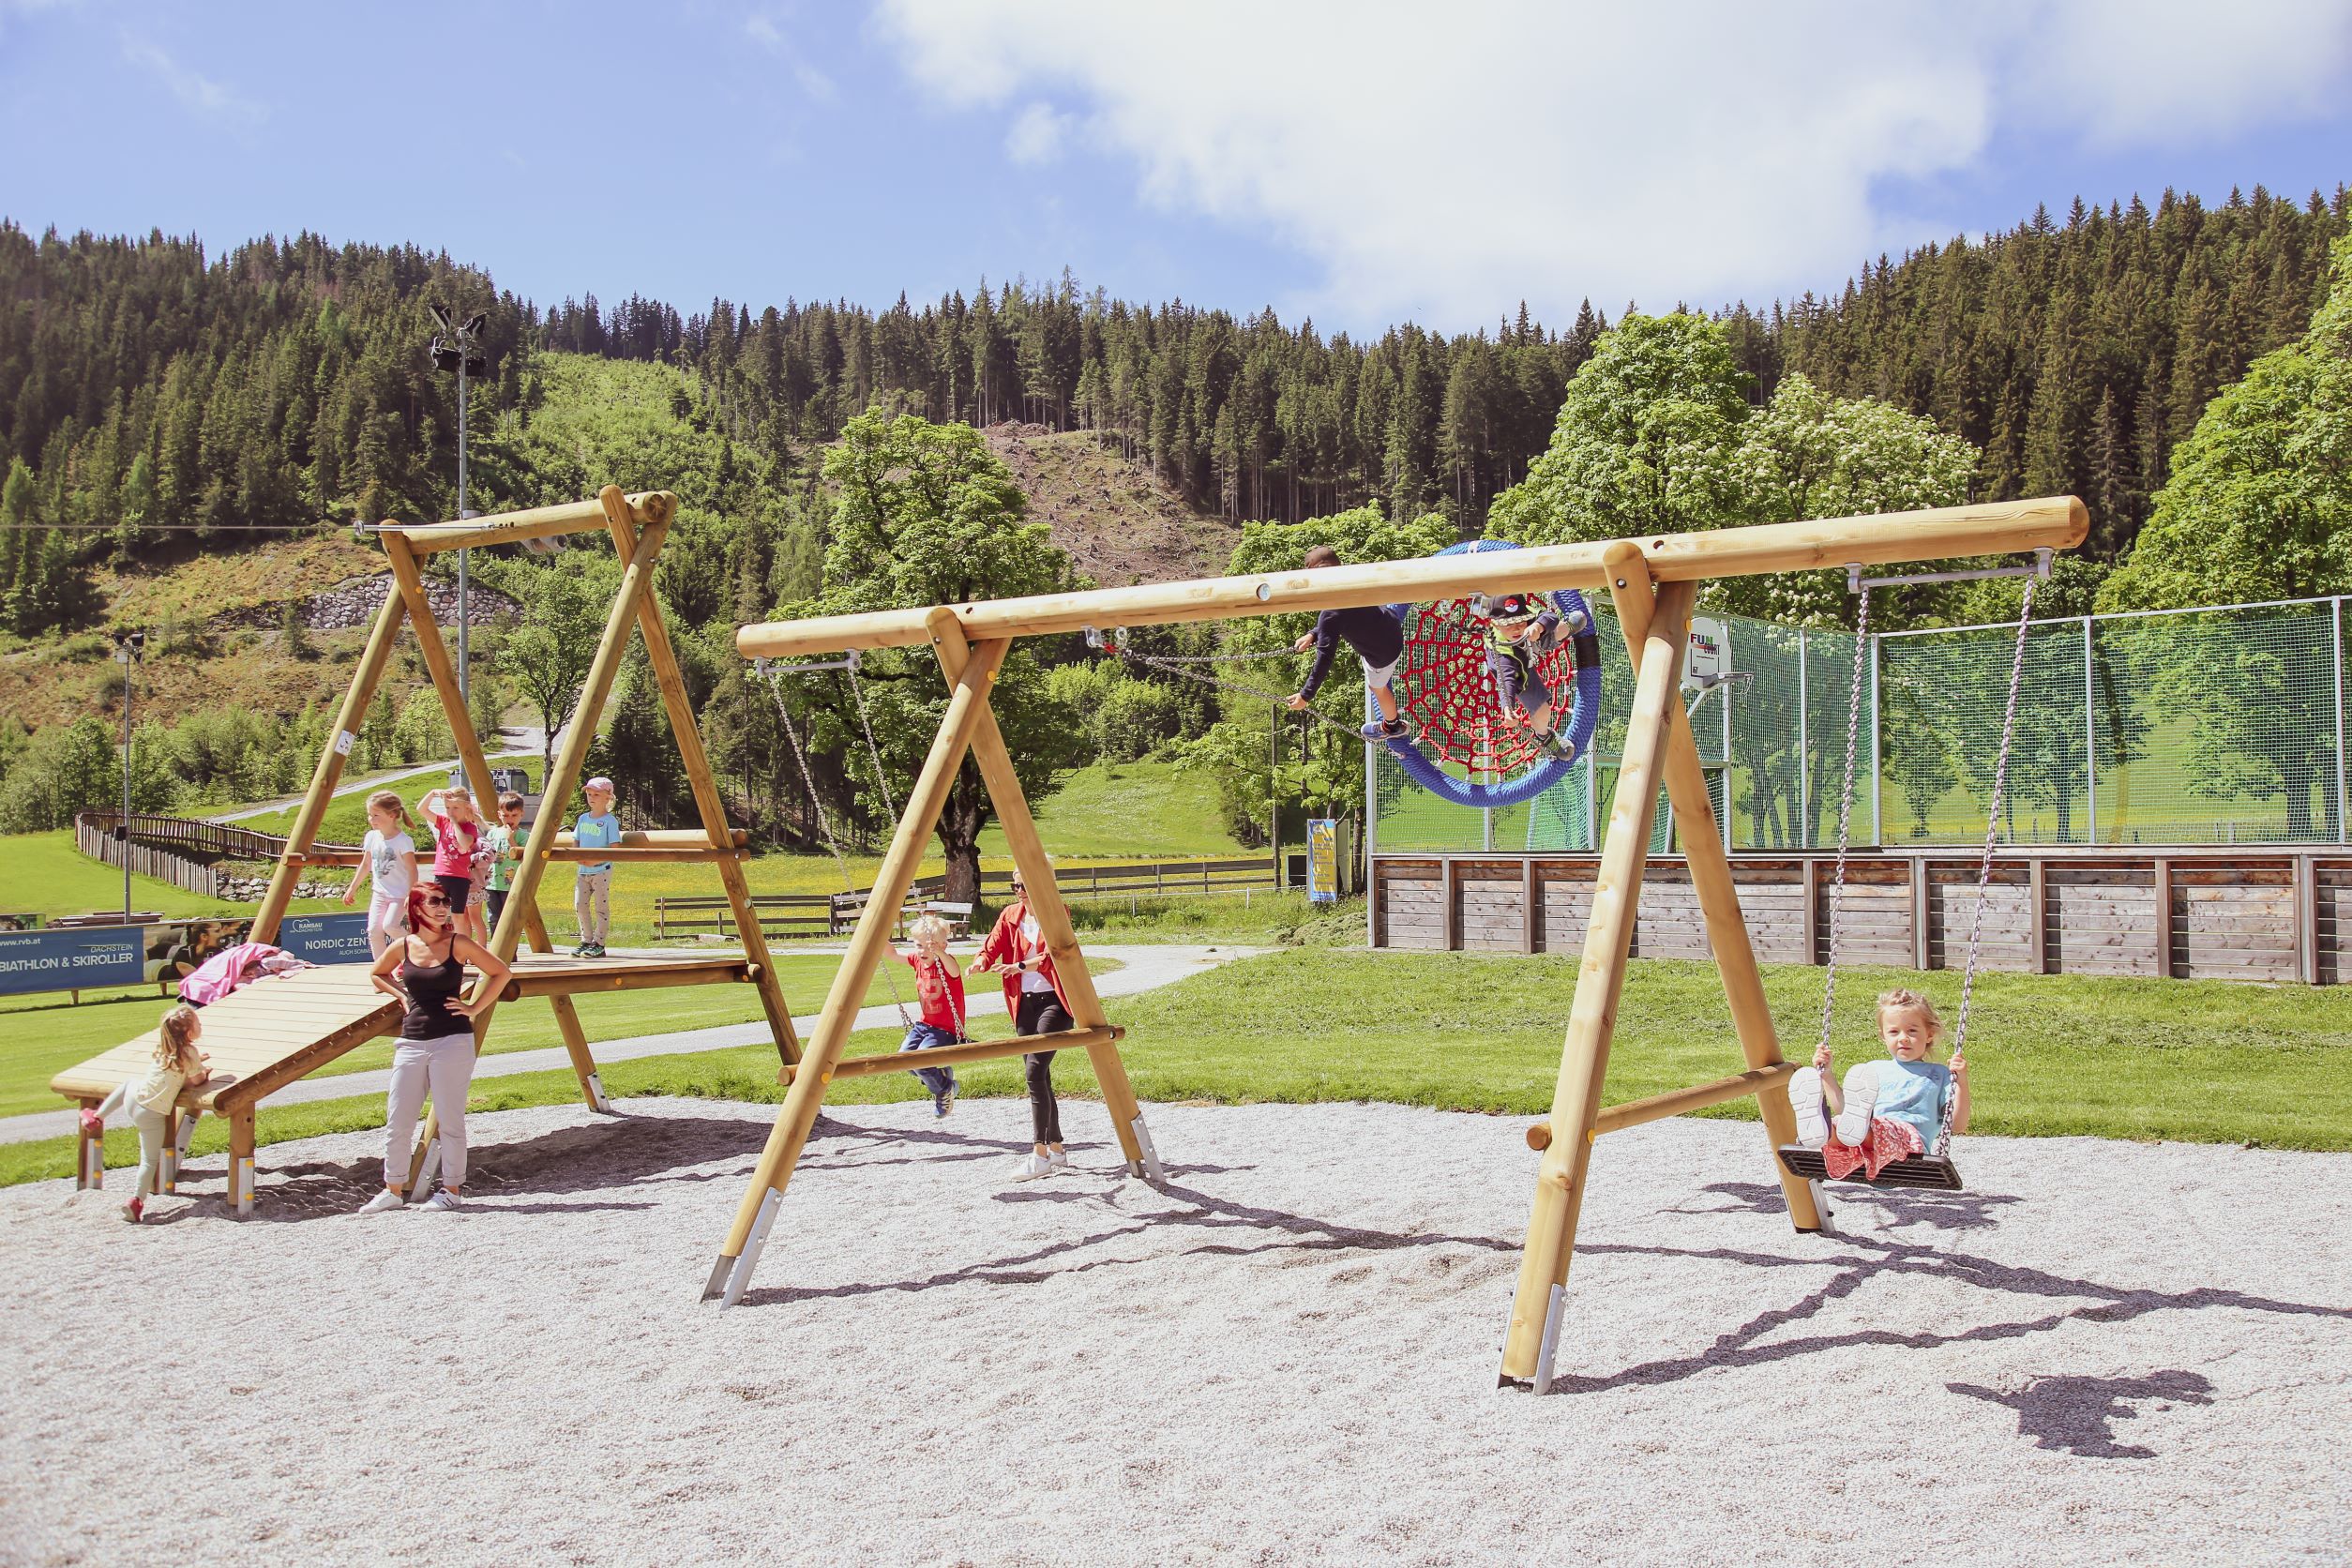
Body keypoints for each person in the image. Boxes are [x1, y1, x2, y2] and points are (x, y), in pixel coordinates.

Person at [355, 882, 511, 1214]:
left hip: (452, 1041)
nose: (443, 908)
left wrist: (474, 1008)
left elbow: (501, 972)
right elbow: (377, 973)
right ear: (416, 907)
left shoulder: (459, 943)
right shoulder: (404, 946)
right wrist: (399, 995)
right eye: (434, 902)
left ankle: (451, 1189)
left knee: (450, 1119)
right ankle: (393, 1189)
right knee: (398, 1119)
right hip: (411, 1041)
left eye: (445, 902)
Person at [1788, 988, 1971, 1180]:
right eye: (1894, 1031)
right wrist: (1826, 1075)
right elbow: (1844, 1109)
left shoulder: (1939, 1074)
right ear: (1883, 1036)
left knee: (1875, 1128)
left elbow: (1957, 1125)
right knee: (1843, 1125)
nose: (1903, 1038)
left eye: (1912, 1031)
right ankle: (1821, 1130)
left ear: (1929, 1035)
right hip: (1863, 1153)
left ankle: (1844, 1130)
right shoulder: (1873, 1071)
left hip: (1908, 1149)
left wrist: (1961, 1081)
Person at [971, 873, 1075, 1180]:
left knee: (1033, 1073)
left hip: (1054, 1002)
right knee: (1041, 1074)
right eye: (1015, 885)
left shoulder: (1057, 912)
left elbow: (1056, 953)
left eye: (1025, 885)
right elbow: (993, 943)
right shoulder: (1010, 915)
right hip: (1023, 1005)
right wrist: (981, 960)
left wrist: (1020, 965)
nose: (1020, 891)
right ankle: (1057, 1148)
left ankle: (1039, 1153)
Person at [79, 1003, 210, 1223]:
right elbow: (196, 1080)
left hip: (133, 1099)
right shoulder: (190, 1053)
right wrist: (204, 1071)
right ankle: (136, 1200)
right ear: (189, 1033)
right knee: (149, 1160)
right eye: (198, 1024)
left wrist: (196, 1063)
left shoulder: (165, 1048)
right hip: (152, 1113)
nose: (200, 1026)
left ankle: (97, 1116)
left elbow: (176, 1072)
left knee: (129, 1082)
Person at [1289, 543, 1410, 742]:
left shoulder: (1330, 613)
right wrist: (1313, 634)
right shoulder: (1352, 581)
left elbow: (1324, 659)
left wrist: (1305, 696)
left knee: (1377, 688)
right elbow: (1346, 617)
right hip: (1389, 624)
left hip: (1383, 653)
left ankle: (1393, 726)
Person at [1482, 592, 1578, 758]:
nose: (1517, 628)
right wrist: (1508, 708)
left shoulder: (1526, 619)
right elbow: (1506, 681)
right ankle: (1545, 736)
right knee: (1542, 712)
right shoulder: (1502, 656)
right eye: (1508, 625)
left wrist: (1538, 626)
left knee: (1563, 625)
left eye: (1520, 621)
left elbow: (1549, 616)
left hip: (1532, 642)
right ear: (1496, 625)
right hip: (1521, 672)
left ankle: (1562, 632)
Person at [894, 912, 966, 1119]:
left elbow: (955, 971)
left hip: (946, 1028)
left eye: (930, 946)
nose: (923, 950)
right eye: (919, 945)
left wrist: (940, 955)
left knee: (922, 1060)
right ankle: (943, 1077)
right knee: (903, 1059)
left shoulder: (946, 962)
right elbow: (892, 955)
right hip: (924, 1025)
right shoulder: (917, 960)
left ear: (943, 946)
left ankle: (944, 1090)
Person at [344, 792, 421, 960]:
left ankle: (417, 951)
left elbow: (412, 869)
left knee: (390, 926)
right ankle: (381, 971)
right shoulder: (372, 837)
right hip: (379, 893)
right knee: (373, 931)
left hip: (399, 894)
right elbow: (365, 865)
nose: (371, 819)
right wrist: (352, 888)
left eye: (376, 815)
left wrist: (411, 894)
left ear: (392, 815)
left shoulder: (403, 840)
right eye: (370, 815)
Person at [418, 786, 486, 944]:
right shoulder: (442, 822)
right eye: (448, 807)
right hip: (441, 874)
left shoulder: (470, 827)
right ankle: (436, 945)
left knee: (458, 915)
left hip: (460, 877)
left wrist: (455, 823)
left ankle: (460, 950)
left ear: (466, 808)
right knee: (435, 910)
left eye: (455, 808)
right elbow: (421, 809)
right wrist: (433, 792)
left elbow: (464, 845)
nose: (450, 811)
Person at [572, 776, 622, 958]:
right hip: (583, 871)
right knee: (579, 905)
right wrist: (576, 856)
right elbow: (576, 841)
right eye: (589, 794)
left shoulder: (610, 821)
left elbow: (615, 848)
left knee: (601, 907)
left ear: (608, 797)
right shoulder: (583, 819)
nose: (591, 797)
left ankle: (599, 943)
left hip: (601, 870)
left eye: (596, 794)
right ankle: (586, 940)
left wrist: (596, 861)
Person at [481, 792, 528, 934]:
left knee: (509, 918)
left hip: (510, 885)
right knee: (493, 917)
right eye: (506, 815)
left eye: (514, 815)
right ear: (499, 815)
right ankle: (495, 947)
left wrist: (511, 840)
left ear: (521, 814)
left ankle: (510, 952)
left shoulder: (524, 836)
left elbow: (523, 858)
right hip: (492, 883)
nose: (510, 819)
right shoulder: (493, 833)